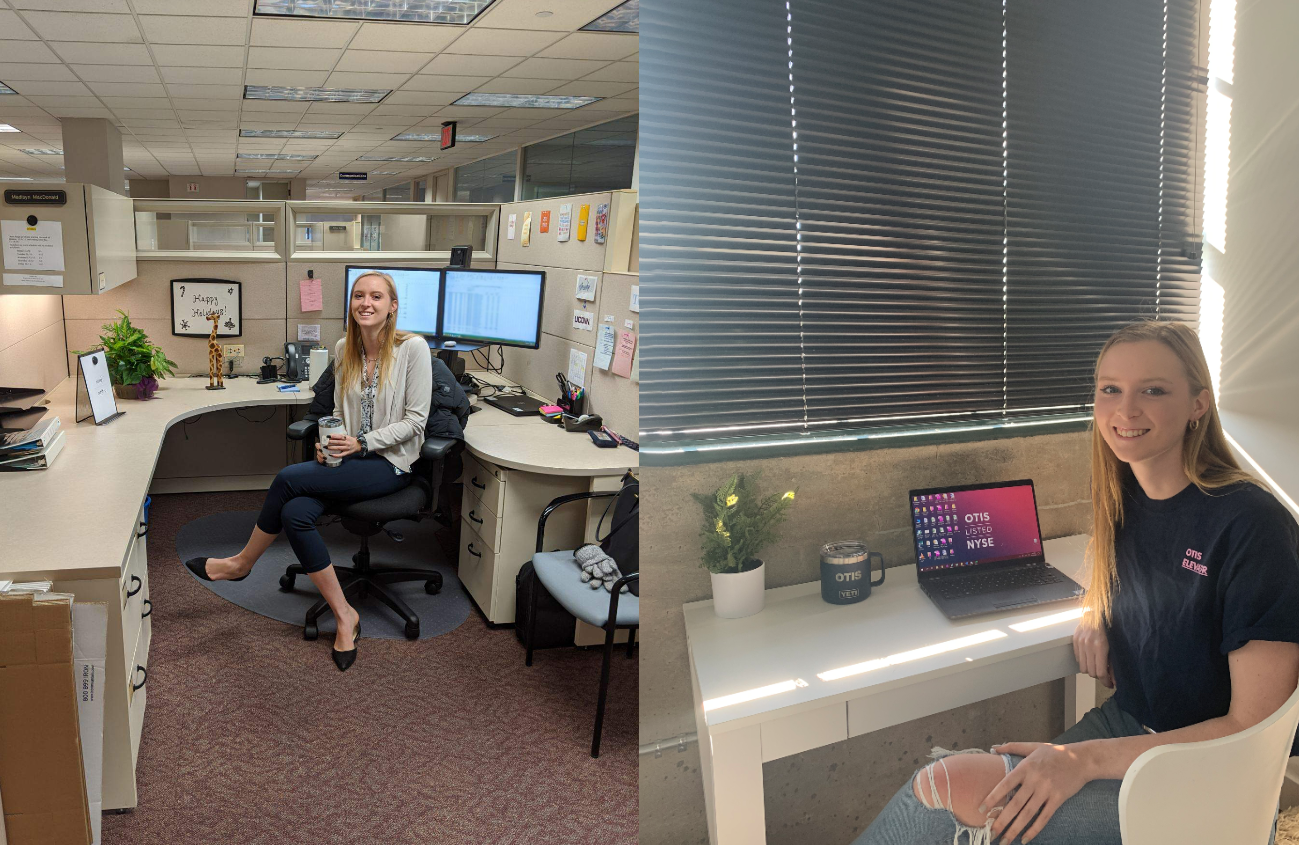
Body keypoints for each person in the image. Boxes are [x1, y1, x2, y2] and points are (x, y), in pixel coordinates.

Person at [854, 320, 1299, 844]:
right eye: (1110, 389)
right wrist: (1096, 610)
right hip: (1126, 726)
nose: (1125, 410)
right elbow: (1160, 589)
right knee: (959, 793)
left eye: (1153, 390)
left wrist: (1082, 760)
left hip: (1208, 775)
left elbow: (1252, 727)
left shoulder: (1253, 525)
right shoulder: (1128, 494)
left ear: (1199, 404)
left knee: (948, 784)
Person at [183, 270, 433, 672]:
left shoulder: (412, 349)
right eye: (358, 296)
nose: (366, 304)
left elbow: (417, 422)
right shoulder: (344, 348)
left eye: (376, 297)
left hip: (390, 463)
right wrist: (327, 441)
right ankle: (344, 614)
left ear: (393, 306)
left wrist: (362, 443)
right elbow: (335, 413)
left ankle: (241, 564)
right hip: (349, 459)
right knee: (294, 513)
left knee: (286, 479)